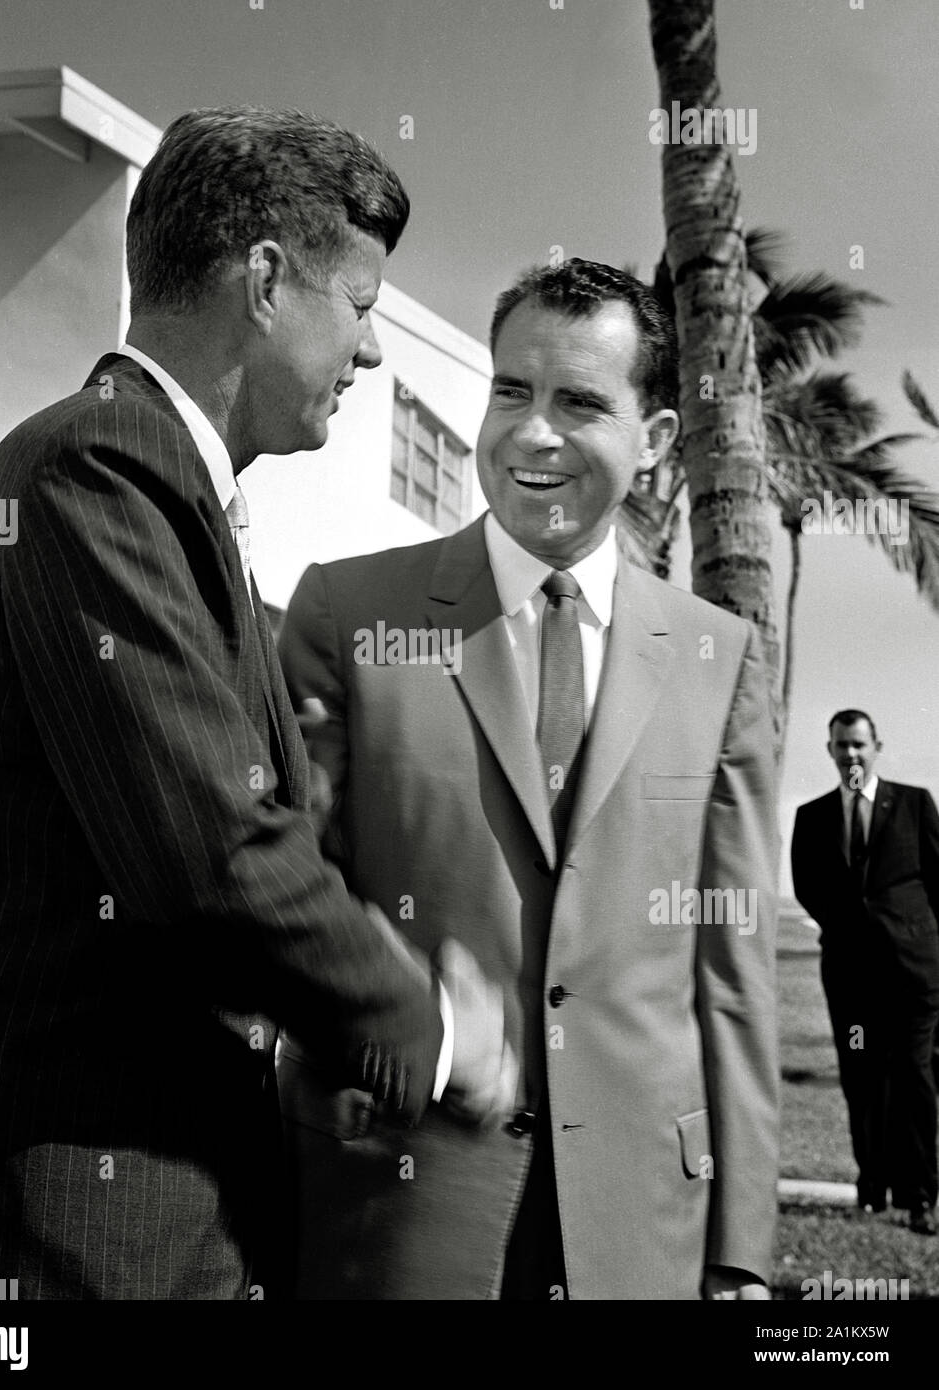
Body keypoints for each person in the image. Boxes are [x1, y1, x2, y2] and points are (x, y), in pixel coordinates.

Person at [0, 107, 512, 1301]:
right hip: (53, 1245)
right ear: (265, 279)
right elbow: (213, 853)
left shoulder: (168, 497)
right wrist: (425, 1023)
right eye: (363, 306)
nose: (372, 354)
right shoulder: (95, 471)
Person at [277, 259, 780, 1300]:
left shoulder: (718, 656)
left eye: (580, 402)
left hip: (645, 1223)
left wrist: (738, 1254)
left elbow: (733, 978)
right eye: (513, 390)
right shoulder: (343, 613)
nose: (533, 433)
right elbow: (288, 902)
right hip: (400, 1198)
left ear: (655, 440)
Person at [791, 710, 939, 1235]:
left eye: (858, 744)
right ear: (829, 750)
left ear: (877, 746)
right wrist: (848, 927)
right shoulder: (811, 817)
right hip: (851, 979)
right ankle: (872, 1188)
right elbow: (806, 884)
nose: (850, 754)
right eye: (840, 745)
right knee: (862, 1077)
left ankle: (921, 1196)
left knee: (915, 1077)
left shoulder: (916, 804)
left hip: (913, 975)